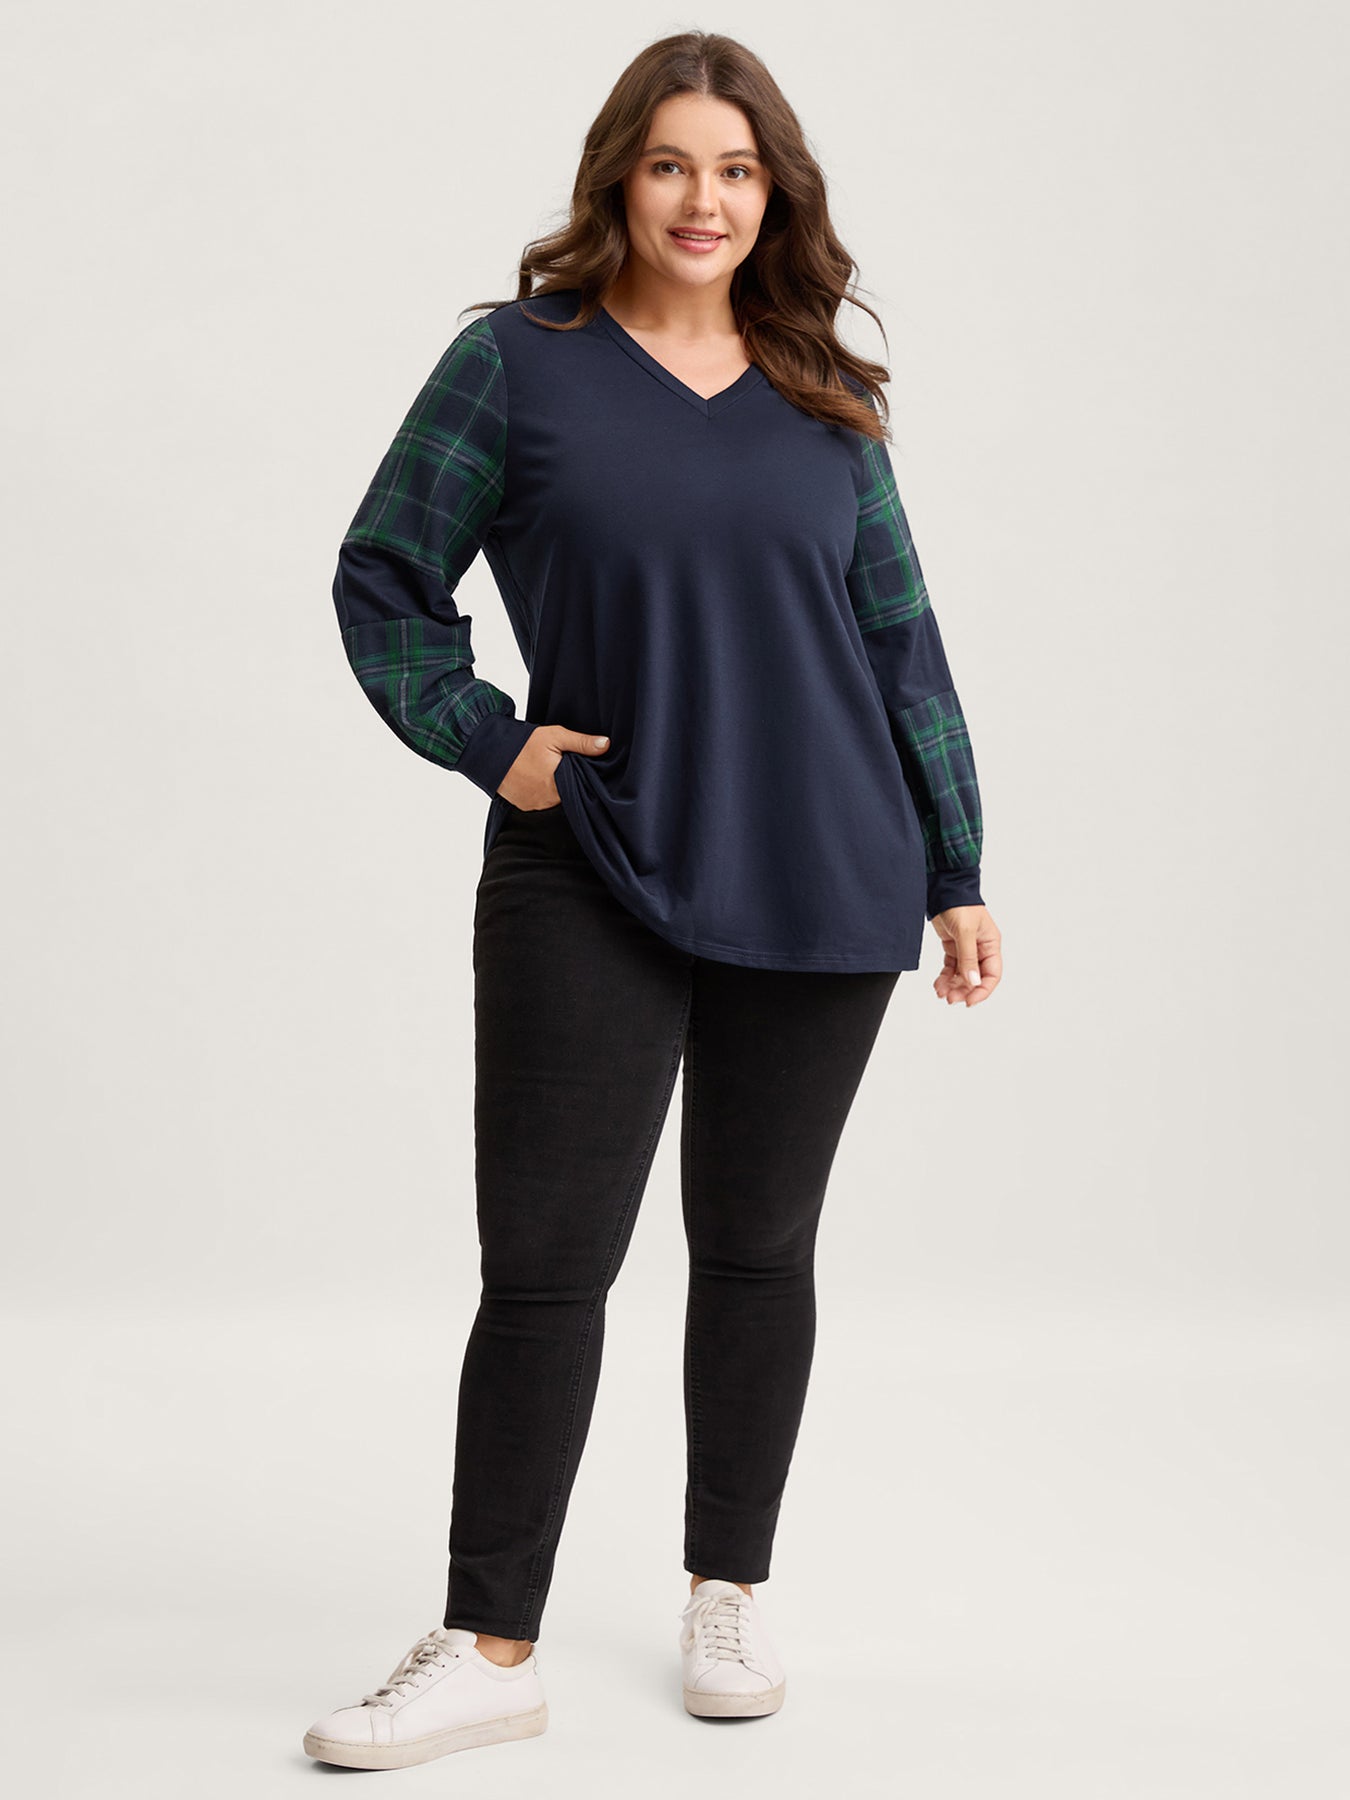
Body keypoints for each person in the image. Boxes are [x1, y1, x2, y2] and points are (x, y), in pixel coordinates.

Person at [302, 28, 1002, 1773]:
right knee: (545, 1267)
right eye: (674, 163)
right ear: (620, 176)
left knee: (758, 1251)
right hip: (590, 860)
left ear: (776, 196)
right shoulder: (514, 365)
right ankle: (489, 1646)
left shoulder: (823, 397)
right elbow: (384, 574)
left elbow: (899, 643)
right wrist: (494, 745)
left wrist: (955, 867)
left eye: (738, 170)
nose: (705, 199)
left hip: (824, 866)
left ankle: (727, 1592)